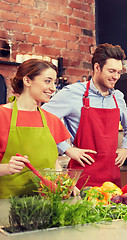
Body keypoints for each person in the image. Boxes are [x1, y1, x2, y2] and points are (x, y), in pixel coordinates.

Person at [42, 43, 127, 188]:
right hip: (81, 178)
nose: (116, 77)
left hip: (112, 180)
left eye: (119, 72)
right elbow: (42, 118)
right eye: (112, 71)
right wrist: (67, 149)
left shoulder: (118, 97)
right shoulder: (72, 93)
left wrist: (126, 148)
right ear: (97, 68)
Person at [0, 59, 71, 198]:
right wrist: (6, 168)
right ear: (27, 81)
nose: (53, 88)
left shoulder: (52, 120)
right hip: (5, 205)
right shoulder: (2, 116)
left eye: (54, 82)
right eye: (47, 81)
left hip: (45, 204)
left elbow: (54, 163)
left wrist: (64, 184)